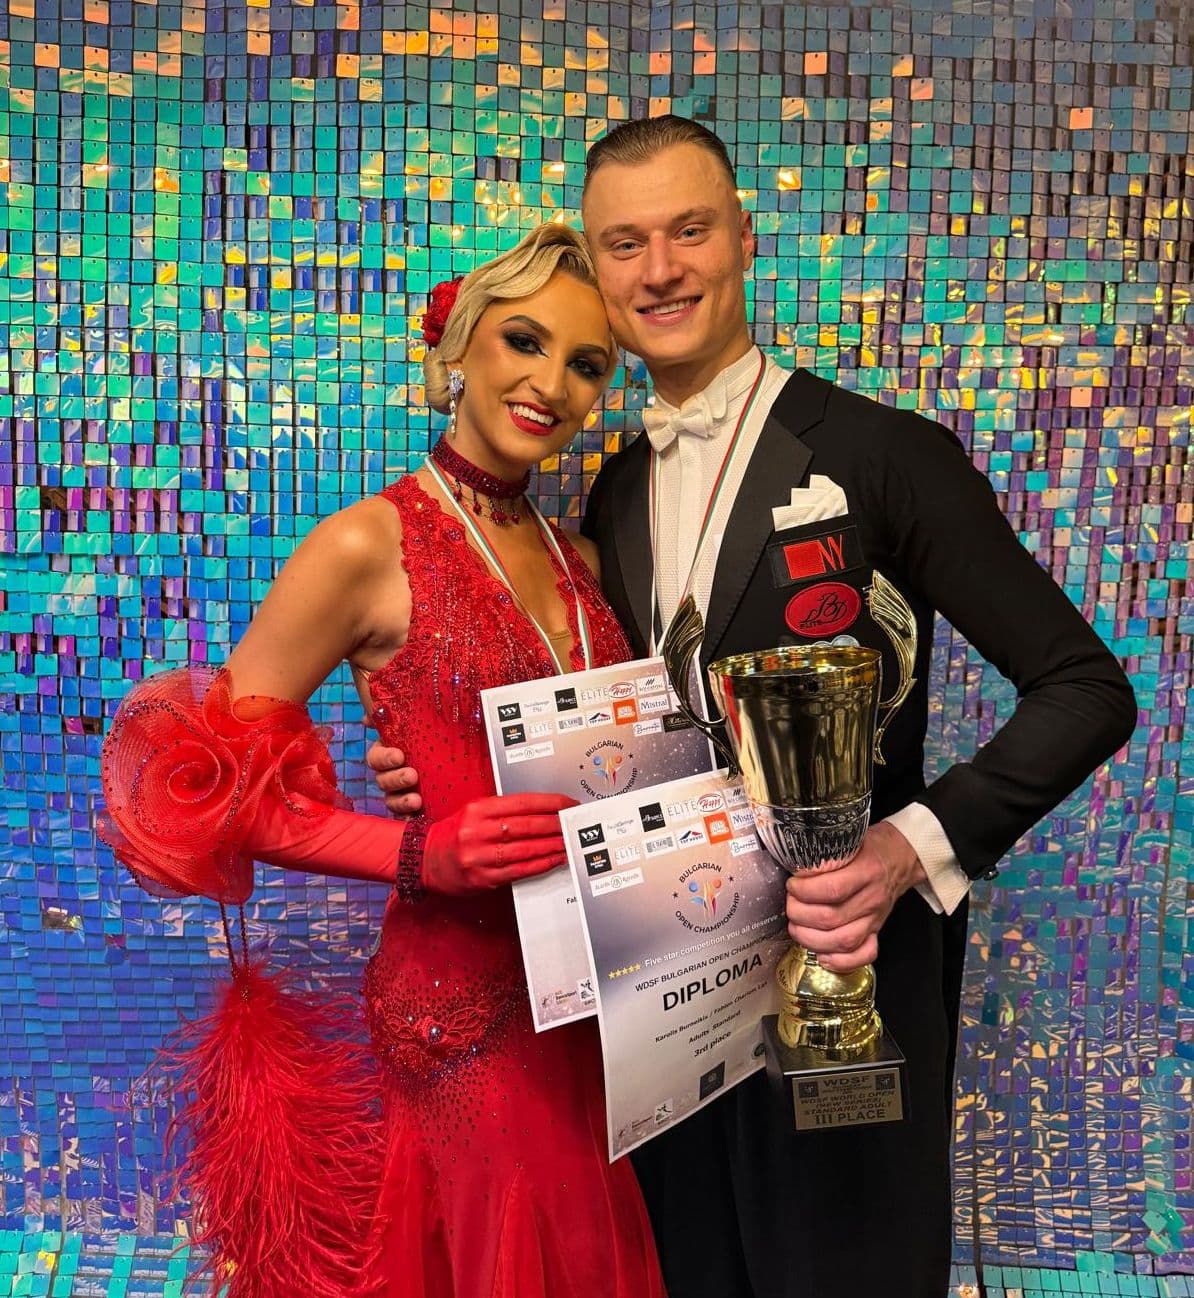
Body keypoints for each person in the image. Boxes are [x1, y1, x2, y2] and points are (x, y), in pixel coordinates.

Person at [372, 115, 1137, 1298]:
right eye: (625, 243)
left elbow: (1087, 687)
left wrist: (903, 848)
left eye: (688, 230)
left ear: (742, 236)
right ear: (599, 267)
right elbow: (605, 718)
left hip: (846, 975)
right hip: (659, 1003)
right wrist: (442, 766)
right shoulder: (613, 490)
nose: (659, 269)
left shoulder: (887, 454)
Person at [99, 223, 665, 1298]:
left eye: (587, 364)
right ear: (459, 346)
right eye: (524, 341)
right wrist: (420, 851)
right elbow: (210, 797)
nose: (551, 384)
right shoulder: (369, 544)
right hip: (463, 1008)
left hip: (597, 1005)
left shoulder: (580, 558)